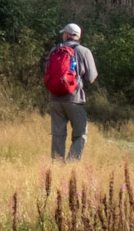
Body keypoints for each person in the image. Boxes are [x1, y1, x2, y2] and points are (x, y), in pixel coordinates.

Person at [42, 23, 98, 161]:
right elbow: (91, 77)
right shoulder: (84, 51)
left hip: (55, 98)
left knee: (58, 134)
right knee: (80, 134)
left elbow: (47, 72)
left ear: (67, 35)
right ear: (78, 36)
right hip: (74, 99)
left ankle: (57, 165)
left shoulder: (54, 50)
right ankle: (72, 163)